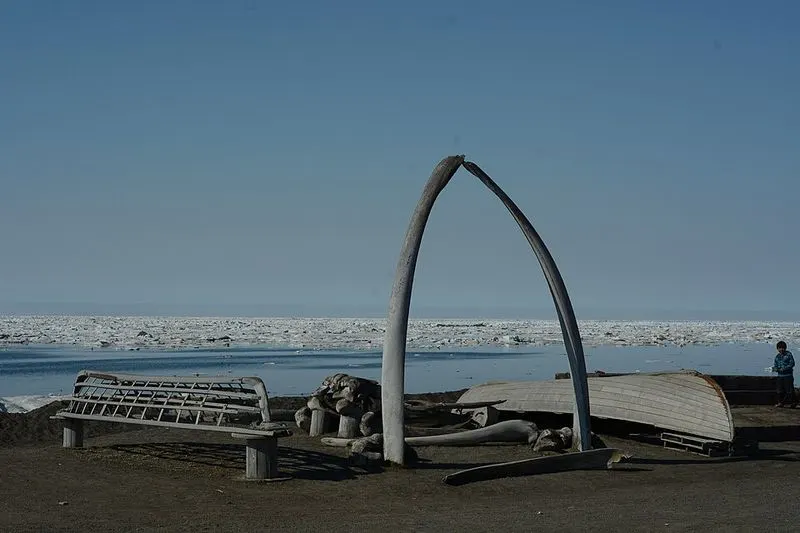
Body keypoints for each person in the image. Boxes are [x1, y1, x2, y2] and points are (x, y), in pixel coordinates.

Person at [771, 341, 797, 408]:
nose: (781, 349)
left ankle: (793, 403)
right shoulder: (777, 356)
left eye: (783, 348)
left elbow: (792, 364)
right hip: (780, 376)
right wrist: (775, 369)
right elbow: (775, 365)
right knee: (780, 390)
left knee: (789, 390)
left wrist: (784, 368)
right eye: (780, 348)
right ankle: (780, 403)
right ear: (777, 349)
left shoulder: (788, 355)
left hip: (788, 375)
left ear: (785, 348)